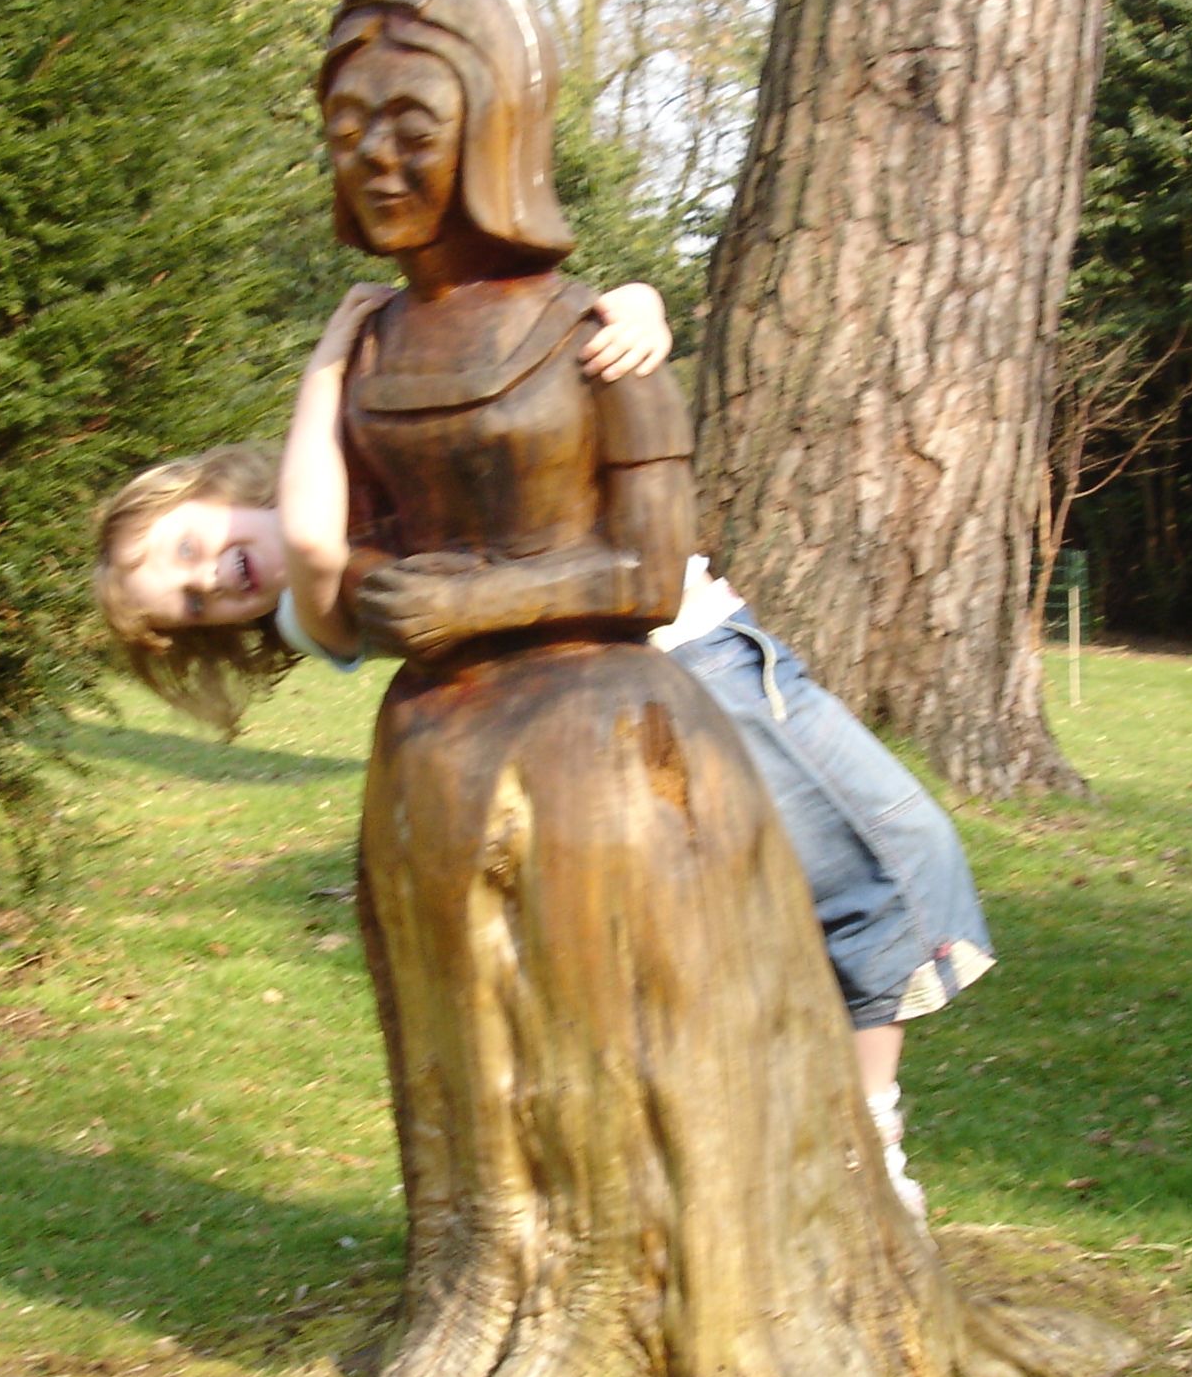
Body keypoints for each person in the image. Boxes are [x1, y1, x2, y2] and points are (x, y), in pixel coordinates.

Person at [95, 287, 992, 1218]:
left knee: (854, 878)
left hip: (701, 646)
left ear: (211, 488)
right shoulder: (305, 608)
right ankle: (865, 1147)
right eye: (194, 605)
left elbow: (561, 368)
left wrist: (639, 311)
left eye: (189, 546)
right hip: (675, 674)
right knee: (884, 867)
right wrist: (327, 354)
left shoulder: (363, 434)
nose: (212, 578)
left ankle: (840, 1134)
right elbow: (315, 542)